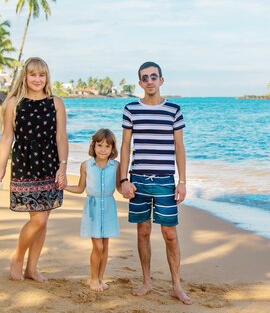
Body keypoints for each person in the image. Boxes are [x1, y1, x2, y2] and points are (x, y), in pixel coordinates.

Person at [120, 61, 192, 305]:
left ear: (161, 80)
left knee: (170, 234)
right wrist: (123, 179)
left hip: (165, 181)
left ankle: (176, 285)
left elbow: (179, 147)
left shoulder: (174, 110)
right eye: (145, 77)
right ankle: (146, 281)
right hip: (138, 180)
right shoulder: (131, 109)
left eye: (154, 76)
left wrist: (182, 182)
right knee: (143, 231)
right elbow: (125, 146)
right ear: (140, 83)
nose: (149, 81)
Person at [0, 57, 68, 283]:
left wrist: (63, 167)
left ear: (47, 78)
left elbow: (61, 137)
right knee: (39, 220)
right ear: (25, 76)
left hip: (50, 164)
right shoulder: (13, 103)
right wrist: (1, 167)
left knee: (43, 217)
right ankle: (17, 256)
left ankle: (31, 269)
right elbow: (7, 137)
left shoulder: (56, 103)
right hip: (25, 164)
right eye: (33, 74)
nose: (37, 79)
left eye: (41, 75)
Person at [65, 129, 122, 292]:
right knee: (97, 246)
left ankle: (101, 278)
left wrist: (128, 191)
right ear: (94, 146)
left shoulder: (116, 166)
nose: (103, 149)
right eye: (100, 145)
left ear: (112, 149)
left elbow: (119, 187)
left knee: (105, 245)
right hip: (93, 208)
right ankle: (93, 279)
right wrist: (64, 187)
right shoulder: (86, 165)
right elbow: (80, 188)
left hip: (109, 208)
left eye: (107, 146)